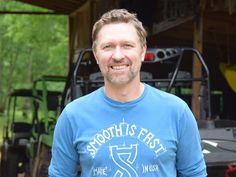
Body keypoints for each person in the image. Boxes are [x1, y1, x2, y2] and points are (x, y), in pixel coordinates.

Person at [49, 9, 207, 177]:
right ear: (96, 54)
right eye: (108, 46)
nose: (117, 55)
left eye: (127, 45)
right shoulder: (73, 116)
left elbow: (194, 174)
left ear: (142, 51)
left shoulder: (177, 111)